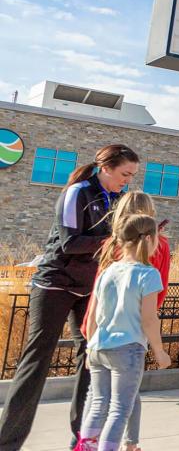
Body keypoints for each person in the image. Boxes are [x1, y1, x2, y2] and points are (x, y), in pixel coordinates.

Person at [0, 144, 140, 451]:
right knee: (36, 360)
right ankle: (7, 443)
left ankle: (83, 440)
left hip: (90, 286)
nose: (127, 181)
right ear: (106, 168)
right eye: (124, 174)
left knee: (91, 359)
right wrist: (114, 240)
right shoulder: (77, 192)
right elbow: (69, 243)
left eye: (131, 175)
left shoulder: (118, 199)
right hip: (54, 284)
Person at [81, 191, 170, 451]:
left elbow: (95, 313)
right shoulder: (148, 275)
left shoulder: (108, 271)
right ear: (151, 240)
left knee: (98, 403)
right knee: (120, 409)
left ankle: (85, 447)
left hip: (99, 346)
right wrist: (160, 351)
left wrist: (90, 346)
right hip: (129, 348)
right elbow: (149, 320)